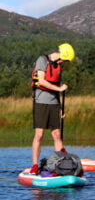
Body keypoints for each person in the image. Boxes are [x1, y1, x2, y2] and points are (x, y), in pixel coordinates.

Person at [29, 43, 75, 174]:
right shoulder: (42, 60)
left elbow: (57, 90)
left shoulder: (58, 67)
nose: (64, 63)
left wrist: (61, 109)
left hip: (54, 103)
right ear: (62, 55)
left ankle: (60, 165)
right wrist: (60, 88)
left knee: (56, 134)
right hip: (40, 101)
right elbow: (42, 81)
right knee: (39, 134)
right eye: (65, 60)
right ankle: (34, 165)